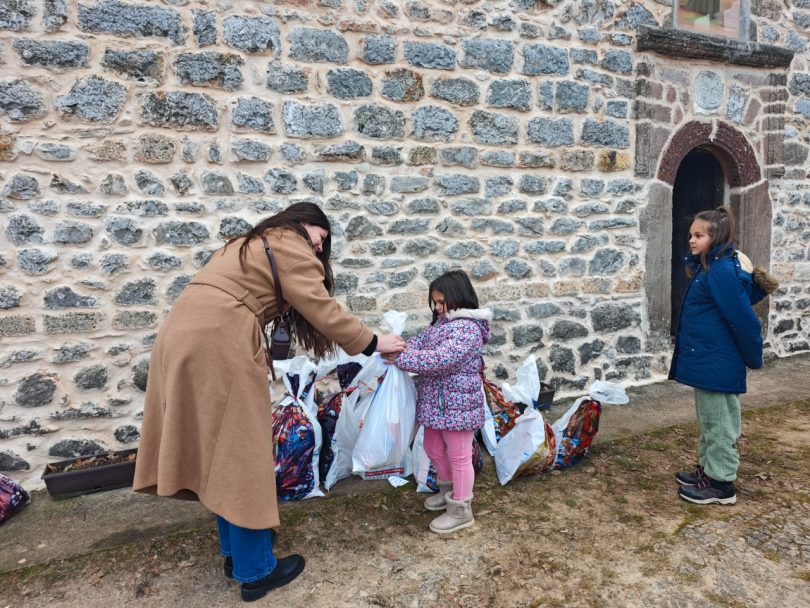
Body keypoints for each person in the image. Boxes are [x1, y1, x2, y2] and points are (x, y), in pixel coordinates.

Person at [133, 202, 406, 602]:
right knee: (242, 452)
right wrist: (374, 342)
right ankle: (256, 569)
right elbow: (324, 309)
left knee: (221, 451)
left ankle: (237, 552)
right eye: (320, 237)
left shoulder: (249, 244)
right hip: (217, 338)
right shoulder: (288, 243)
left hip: (185, 336)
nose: (319, 247)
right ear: (302, 223)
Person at [669, 206, 773, 506]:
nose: (692, 240)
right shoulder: (710, 268)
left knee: (721, 423)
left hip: (718, 361)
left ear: (716, 239)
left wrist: (753, 356)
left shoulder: (721, 272)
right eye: (691, 235)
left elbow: (743, 319)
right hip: (708, 359)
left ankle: (721, 483)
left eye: (699, 235)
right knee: (709, 419)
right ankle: (707, 470)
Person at [395, 270, 491, 534]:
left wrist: (400, 359)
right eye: (434, 302)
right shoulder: (441, 323)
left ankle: (461, 510)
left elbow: (439, 360)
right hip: (437, 404)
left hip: (459, 406)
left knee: (459, 456)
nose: (437, 307)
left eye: (441, 302)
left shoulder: (468, 329)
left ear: (458, 297)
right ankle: (449, 491)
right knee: (433, 447)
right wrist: (402, 347)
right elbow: (419, 342)